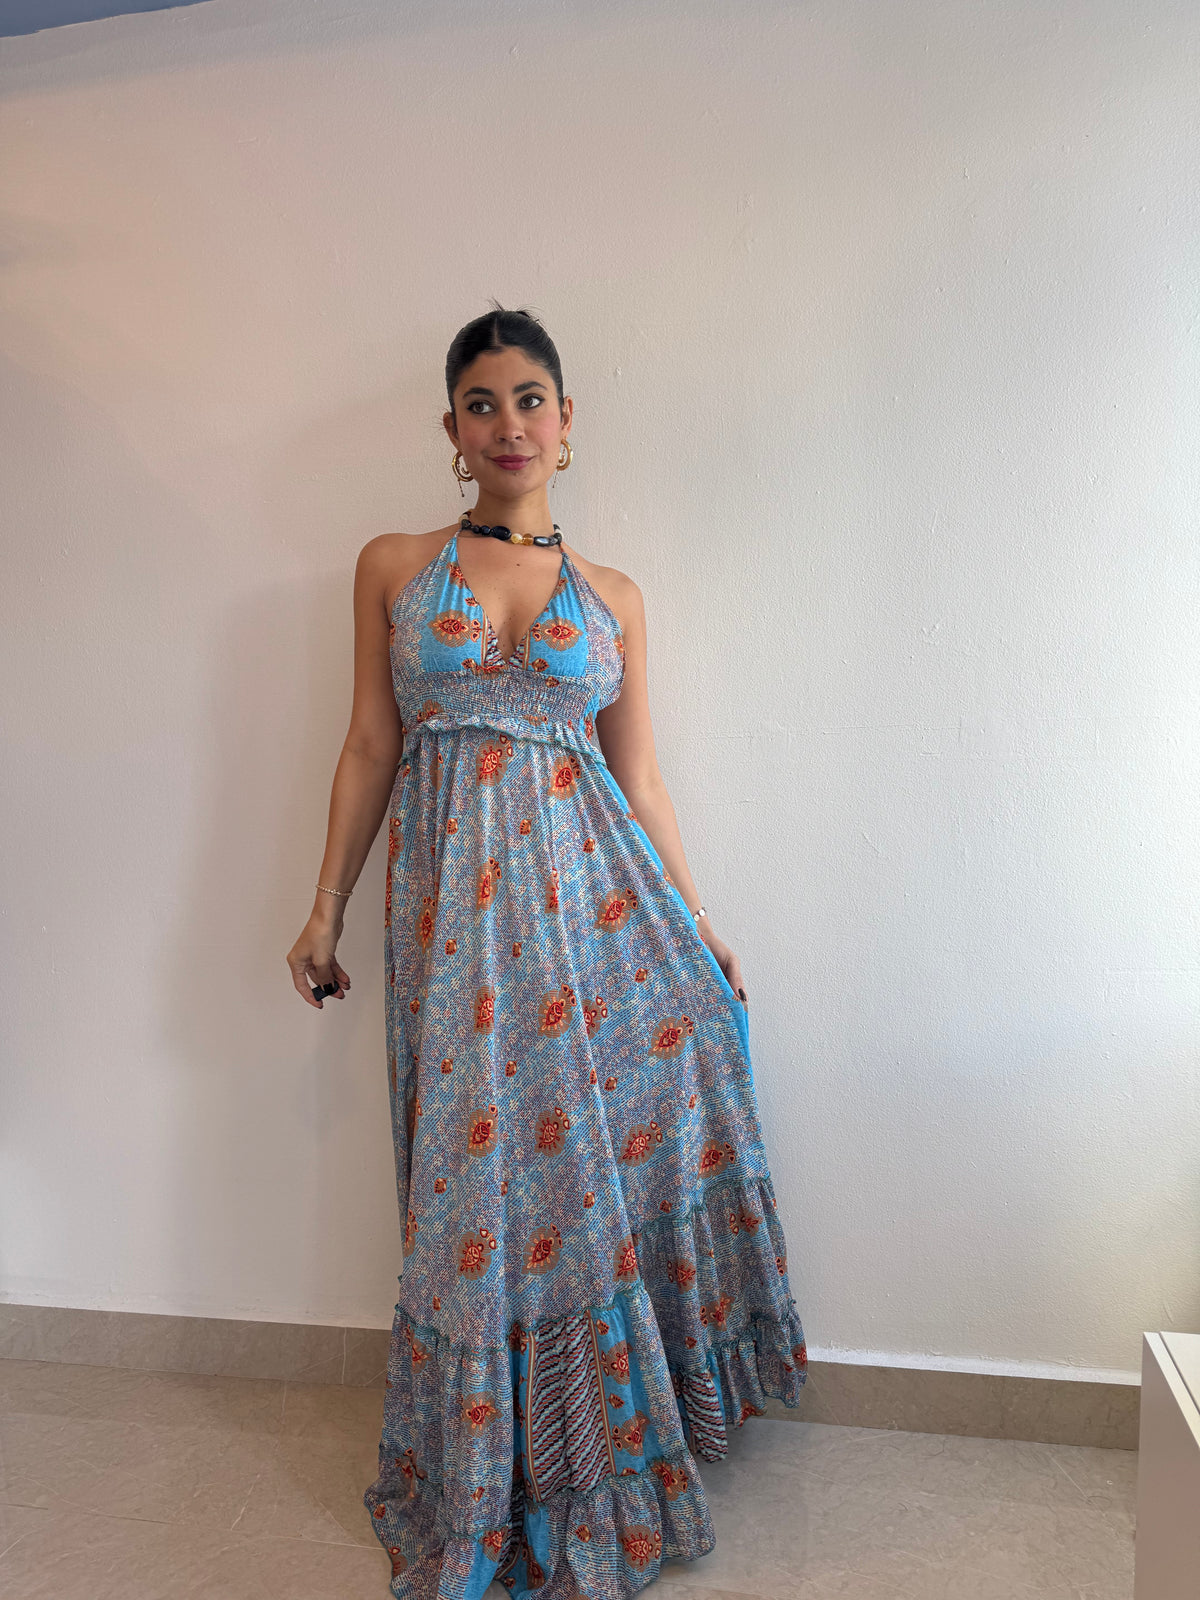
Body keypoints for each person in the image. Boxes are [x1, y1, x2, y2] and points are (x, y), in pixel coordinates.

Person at [285, 303, 807, 1600]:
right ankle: (482, 1470)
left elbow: (642, 780)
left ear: (567, 423)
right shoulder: (395, 565)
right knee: (478, 1195)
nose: (507, 424)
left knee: (590, 1178)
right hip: (453, 929)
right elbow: (370, 744)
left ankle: (604, 1442)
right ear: (452, 430)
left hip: (594, 921)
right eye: (482, 403)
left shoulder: (616, 596)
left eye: (529, 400)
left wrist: (698, 923)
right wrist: (323, 907)